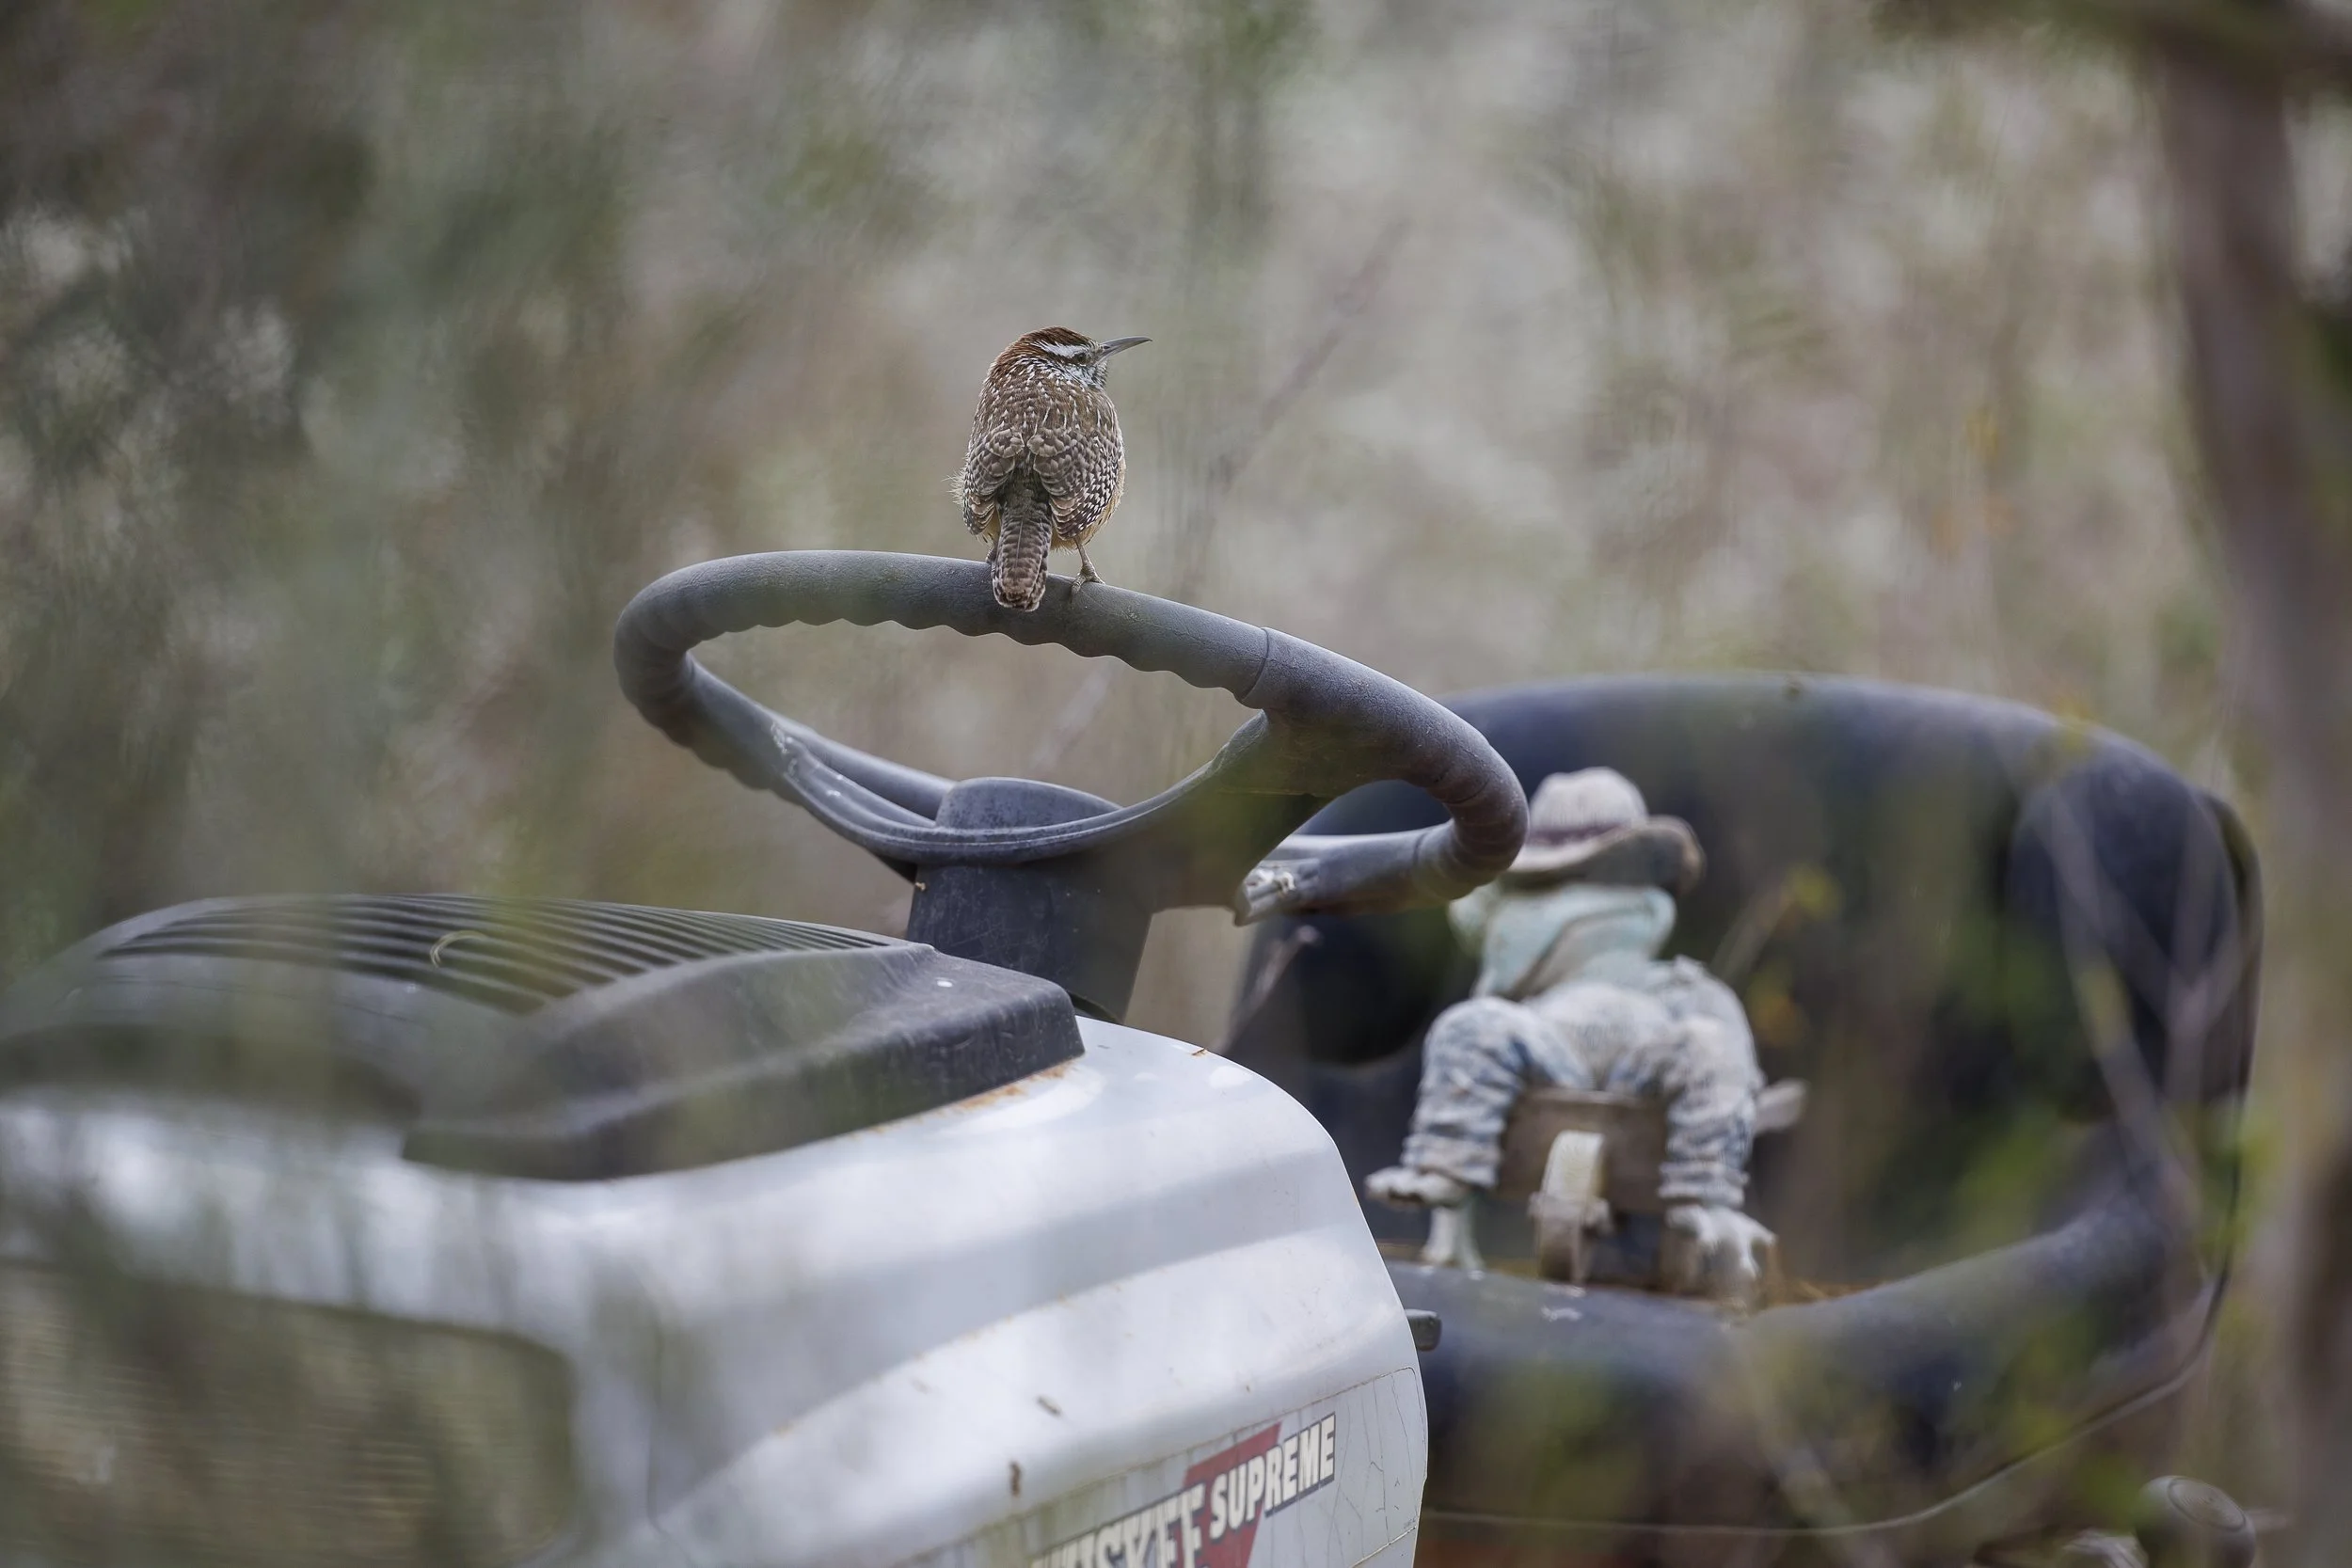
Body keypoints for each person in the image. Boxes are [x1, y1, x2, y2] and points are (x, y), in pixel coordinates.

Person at [1365, 768, 1777, 1299]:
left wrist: (1731, 1075)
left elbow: (1730, 1059)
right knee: (1470, 1024)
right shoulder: (1524, 1001)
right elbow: (1484, 1036)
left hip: (1647, 1074)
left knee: (1709, 1043)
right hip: (1557, 1059)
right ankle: (1445, 1166)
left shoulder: (1681, 989)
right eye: (1552, 888)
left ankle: (1706, 1198)